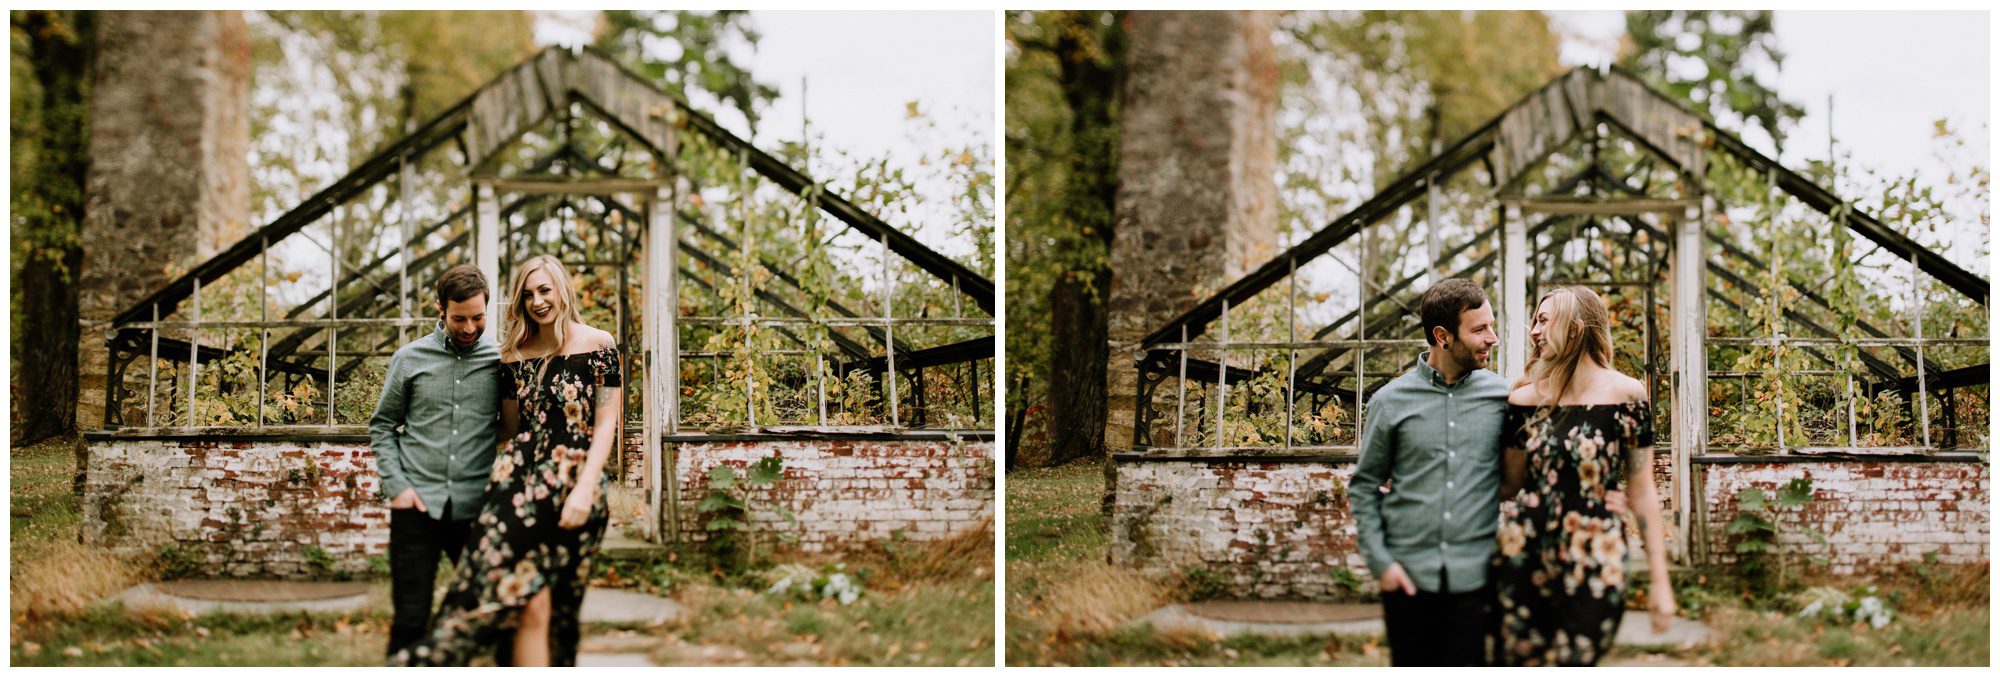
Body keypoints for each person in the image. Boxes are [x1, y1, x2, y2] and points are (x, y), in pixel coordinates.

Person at [391, 255, 623, 666]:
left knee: (558, 606)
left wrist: (586, 486)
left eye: (545, 290)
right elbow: (511, 428)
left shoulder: (599, 344)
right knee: (495, 589)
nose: (537, 301)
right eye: (528, 294)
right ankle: (422, 662)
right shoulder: (512, 355)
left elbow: (606, 424)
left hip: (577, 485)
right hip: (518, 485)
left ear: (562, 289)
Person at [1493, 286, 1676, 666]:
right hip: (1525, 551)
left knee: (1578, 659)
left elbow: (1642, 491)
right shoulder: (1523, 401)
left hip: (1597, 552)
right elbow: (1508, 485)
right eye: (1534, 321)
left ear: (1575, 329)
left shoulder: (1628, 395)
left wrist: (1660, 581)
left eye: (1543, 321)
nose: (1534, 331)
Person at [1350, 277, 1507, 666]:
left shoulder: (1503, 399)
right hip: (1408, 580)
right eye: (1480, 329)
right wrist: (1382, 564)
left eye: (1492, 325)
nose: (1493, 338)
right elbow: (1365, 486)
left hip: (1476, 581)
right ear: (1443, 336)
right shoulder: (1389, 402)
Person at [370, 264, 503, 660]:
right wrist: (397, 488)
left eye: (478, 318)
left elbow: (515, 429)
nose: (468, 328)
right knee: (411, 617)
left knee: (485, 615)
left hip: (476, 507)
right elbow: (382, 426)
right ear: (440, 310)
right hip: (417, 504)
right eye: (459, 318)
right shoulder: (409, 359)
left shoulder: (503, 361)